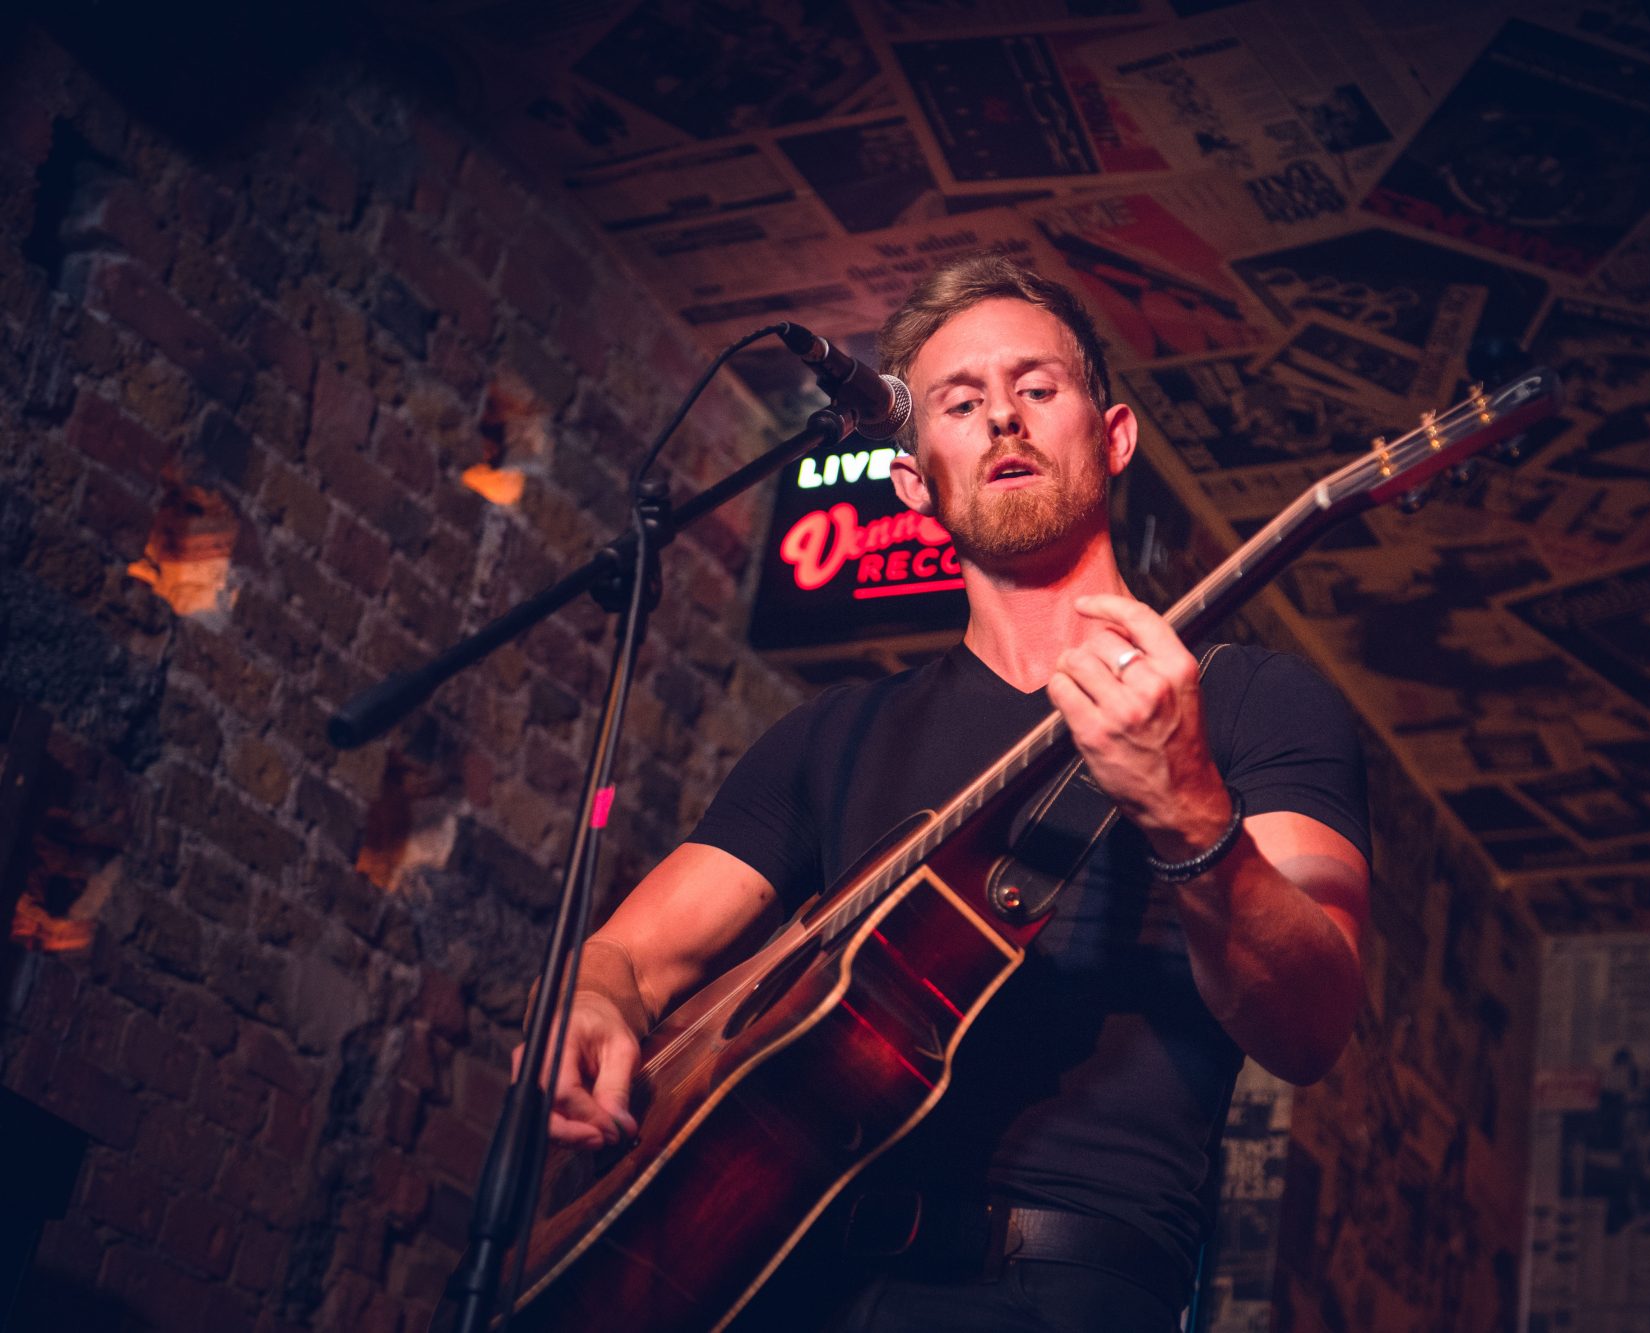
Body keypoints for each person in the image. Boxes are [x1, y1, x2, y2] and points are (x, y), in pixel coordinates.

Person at [536, 254, 1372, 1330]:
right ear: (913, 481)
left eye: (1037, 388)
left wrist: (1188, 809)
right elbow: (629, 954)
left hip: (1055, 1282)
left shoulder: (1251, 700)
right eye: (961, 403)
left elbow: (1310, 1023)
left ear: (1111, 437)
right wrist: (597, 1000)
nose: (1003, 422)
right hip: (775, 1273)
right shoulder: (829, 736)